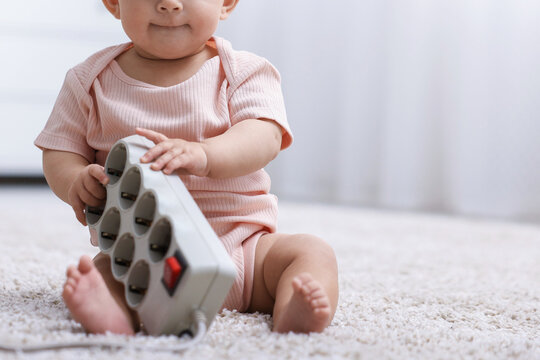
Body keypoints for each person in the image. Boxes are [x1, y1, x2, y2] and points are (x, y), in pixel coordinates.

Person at [34, 0, 338, 335]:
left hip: (243, 249)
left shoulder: (243, 71)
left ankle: (293, 311)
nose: (168, 4)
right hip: (144, 262)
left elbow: (264, 135)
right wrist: (75, 180)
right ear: (114, 3)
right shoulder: (88, 81)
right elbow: (59, 151)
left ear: (225, 3)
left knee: (311, 252)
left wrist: (206, 155)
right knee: (105, 274)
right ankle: (114, 318)